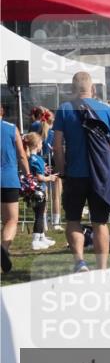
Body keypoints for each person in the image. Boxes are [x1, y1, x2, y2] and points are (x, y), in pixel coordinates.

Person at [53, 71, 110, 273]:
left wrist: (62, 171)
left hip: (75, 174)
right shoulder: (108, 110)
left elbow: (57, 146)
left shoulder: (64, 109)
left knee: (73, 219)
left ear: (72, 89)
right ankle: (102, 268)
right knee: (100, 223)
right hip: (101, 175)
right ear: (93, 89)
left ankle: (80, 262)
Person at [1, 105, 30, 256]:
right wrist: (28, 176)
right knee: (11, 220)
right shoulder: (12, 128)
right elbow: (22, 155)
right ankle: (4, 249)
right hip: (9, 179)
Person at [23, 133, 57, 250]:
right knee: (39, 215)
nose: (42, 145)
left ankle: (42, 237)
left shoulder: (31, 158)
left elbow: (37, 172)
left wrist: (44, 170)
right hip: (38, 192)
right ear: (37, 145)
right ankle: (36, 240)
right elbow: (39, 177)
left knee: (40, 214)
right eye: (41, 143)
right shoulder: (36, 159)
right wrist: (50, 178)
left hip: (34, 192)